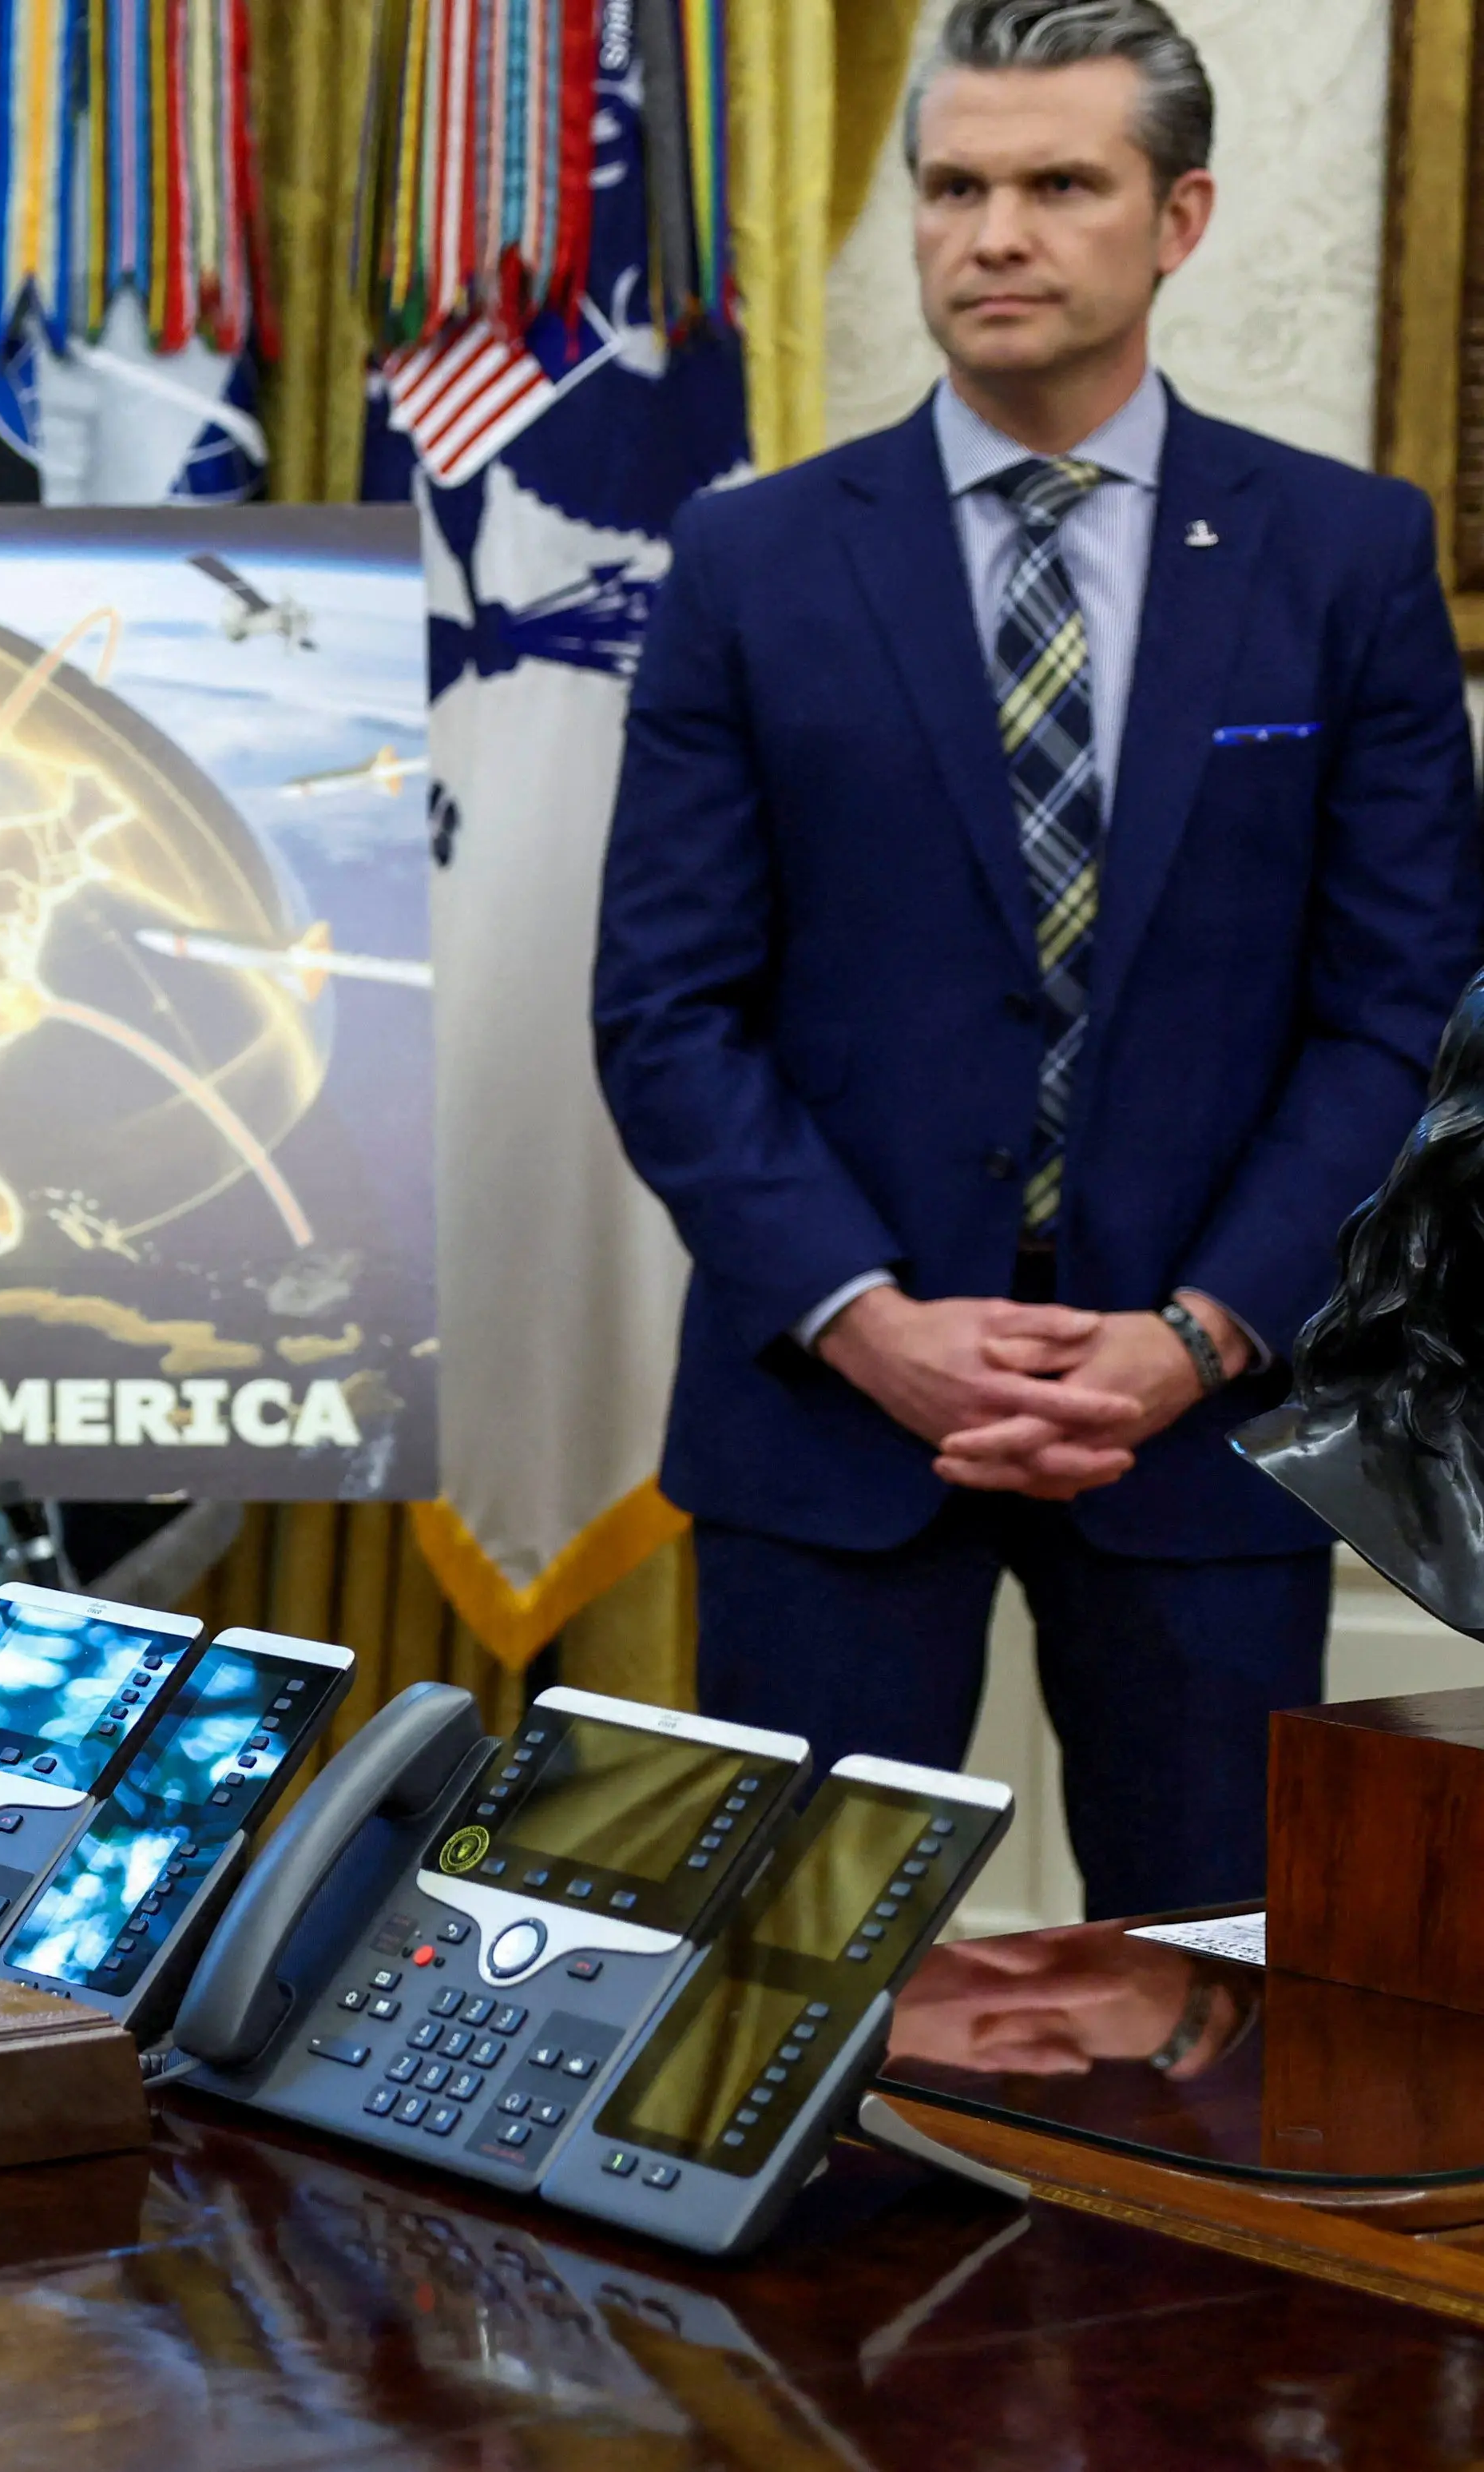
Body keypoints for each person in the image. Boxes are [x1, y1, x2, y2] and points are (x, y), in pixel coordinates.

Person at [595, 0, 1484, 1914]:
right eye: (950, 186)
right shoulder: (745, 565)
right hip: (828, 1422)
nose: (989, 233)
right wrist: (863, 1318)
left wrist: (1198, 1334)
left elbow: (1399, 1012)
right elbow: (663, 1011)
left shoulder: (1339, 557)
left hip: (1203, 1427)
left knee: (1217, 2016)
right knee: (782, 2014)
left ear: (1173, 219)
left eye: (1054, 184)